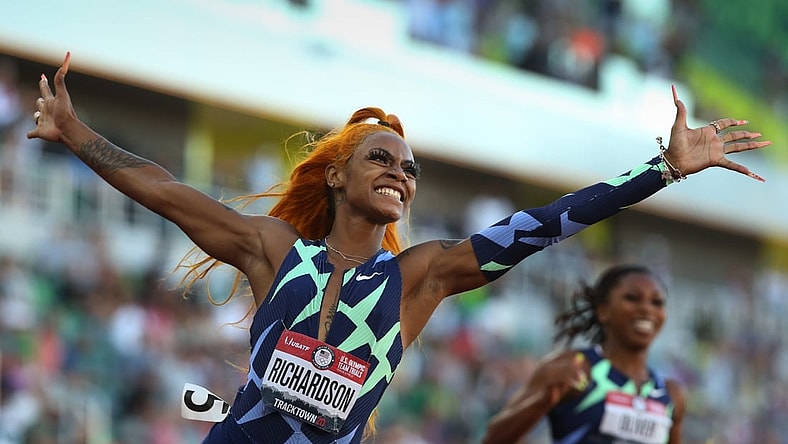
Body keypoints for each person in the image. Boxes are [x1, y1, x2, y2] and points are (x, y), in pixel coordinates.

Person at [27, 52, 769, 444]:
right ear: (340, 174)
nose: (401, 174)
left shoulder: (421, 277)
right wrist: (75, 132)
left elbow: (546, 223)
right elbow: (164, 191)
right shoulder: (275, 251)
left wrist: (663, 169)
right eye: (382, 159)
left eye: (410, 168)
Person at [482, 264, 684, 444]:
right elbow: (493, 439)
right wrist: (543, 400)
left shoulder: (671, 394)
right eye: (632, 298)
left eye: (657, 302)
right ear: (603, 311)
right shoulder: (573, 368)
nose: (647, 309)